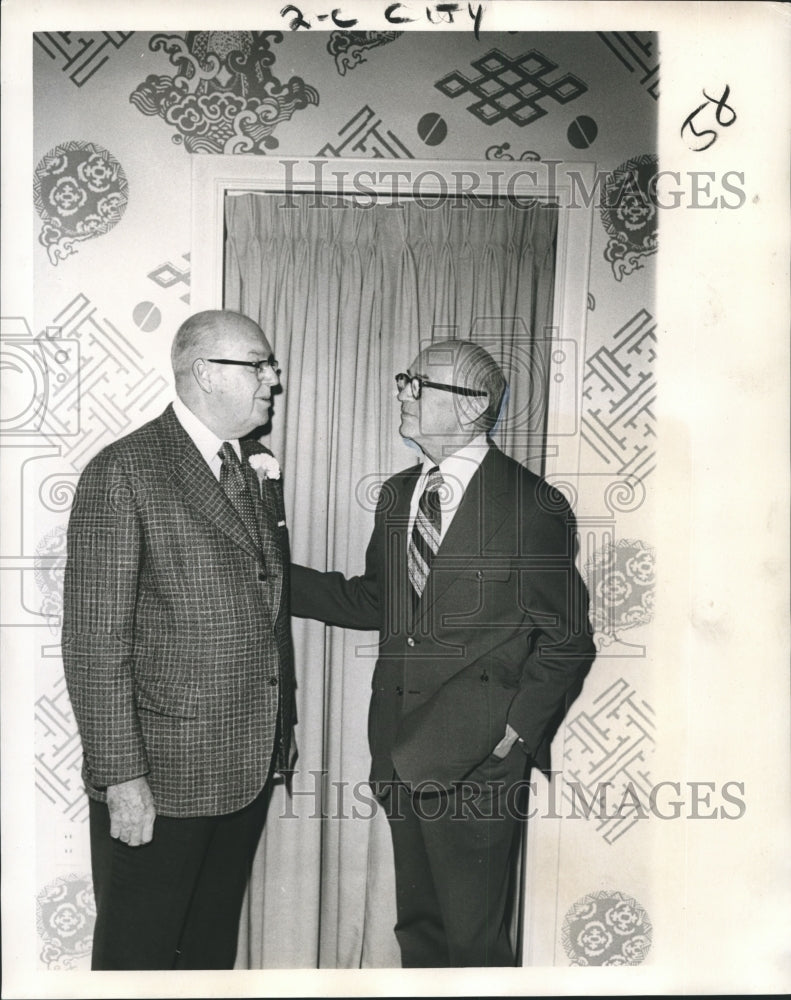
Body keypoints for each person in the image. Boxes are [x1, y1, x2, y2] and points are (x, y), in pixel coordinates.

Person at [291, 339, 596, 968]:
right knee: (421, 933)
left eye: (416, 382)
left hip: (481, 763)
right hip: (401, 748)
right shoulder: (399, 494)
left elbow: (568, 639)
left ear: (472, 407)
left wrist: (514, 732)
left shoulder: (532, 505)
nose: (402, 391)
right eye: (406, 380)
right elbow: (379, 601)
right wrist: (269, 574)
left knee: (475, 946)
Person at [62, 310, 295, 970]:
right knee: (137, 960)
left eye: (270, 366)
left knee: (206, 956)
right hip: (160, 780)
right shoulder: (125, 471)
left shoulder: (247, 468)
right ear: (202, 373)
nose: (273, 380)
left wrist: (282, 726)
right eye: (258, 365)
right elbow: (93, 641)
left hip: (243, 767)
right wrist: (123, 777)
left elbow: (263, 605)